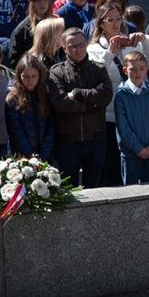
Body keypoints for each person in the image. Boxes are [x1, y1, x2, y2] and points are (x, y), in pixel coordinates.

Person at [87, 0, 149, 186]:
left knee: (135, 158)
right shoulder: (93, 49)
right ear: (101, 23)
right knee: (113, 159)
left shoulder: (131, 44)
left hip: (134, 110)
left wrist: (144, 39)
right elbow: (94, 75)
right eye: (110, 20)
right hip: (110, 114)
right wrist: (110, 53)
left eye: (118, 19)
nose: (115, 23)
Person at [47, 26, 113, 187]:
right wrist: (92, 105)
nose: (78, 49)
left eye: (81, 44)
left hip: (96, 138)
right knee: (70, 190)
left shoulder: (99, 69)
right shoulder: (57, 72)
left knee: (95, 188)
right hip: (69, 142)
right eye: (73, 46)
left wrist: (78, 93)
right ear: (65, 48)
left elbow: (105, 96)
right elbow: (60, 103)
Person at [113, 50, 149, 185]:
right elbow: (123, 128)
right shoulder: (121, 96)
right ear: (125, 70)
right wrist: (138, 149)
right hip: (130, 153)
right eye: (133, 69)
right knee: (131, 190)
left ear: (147, 69)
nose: (137, 73)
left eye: (141, 69)